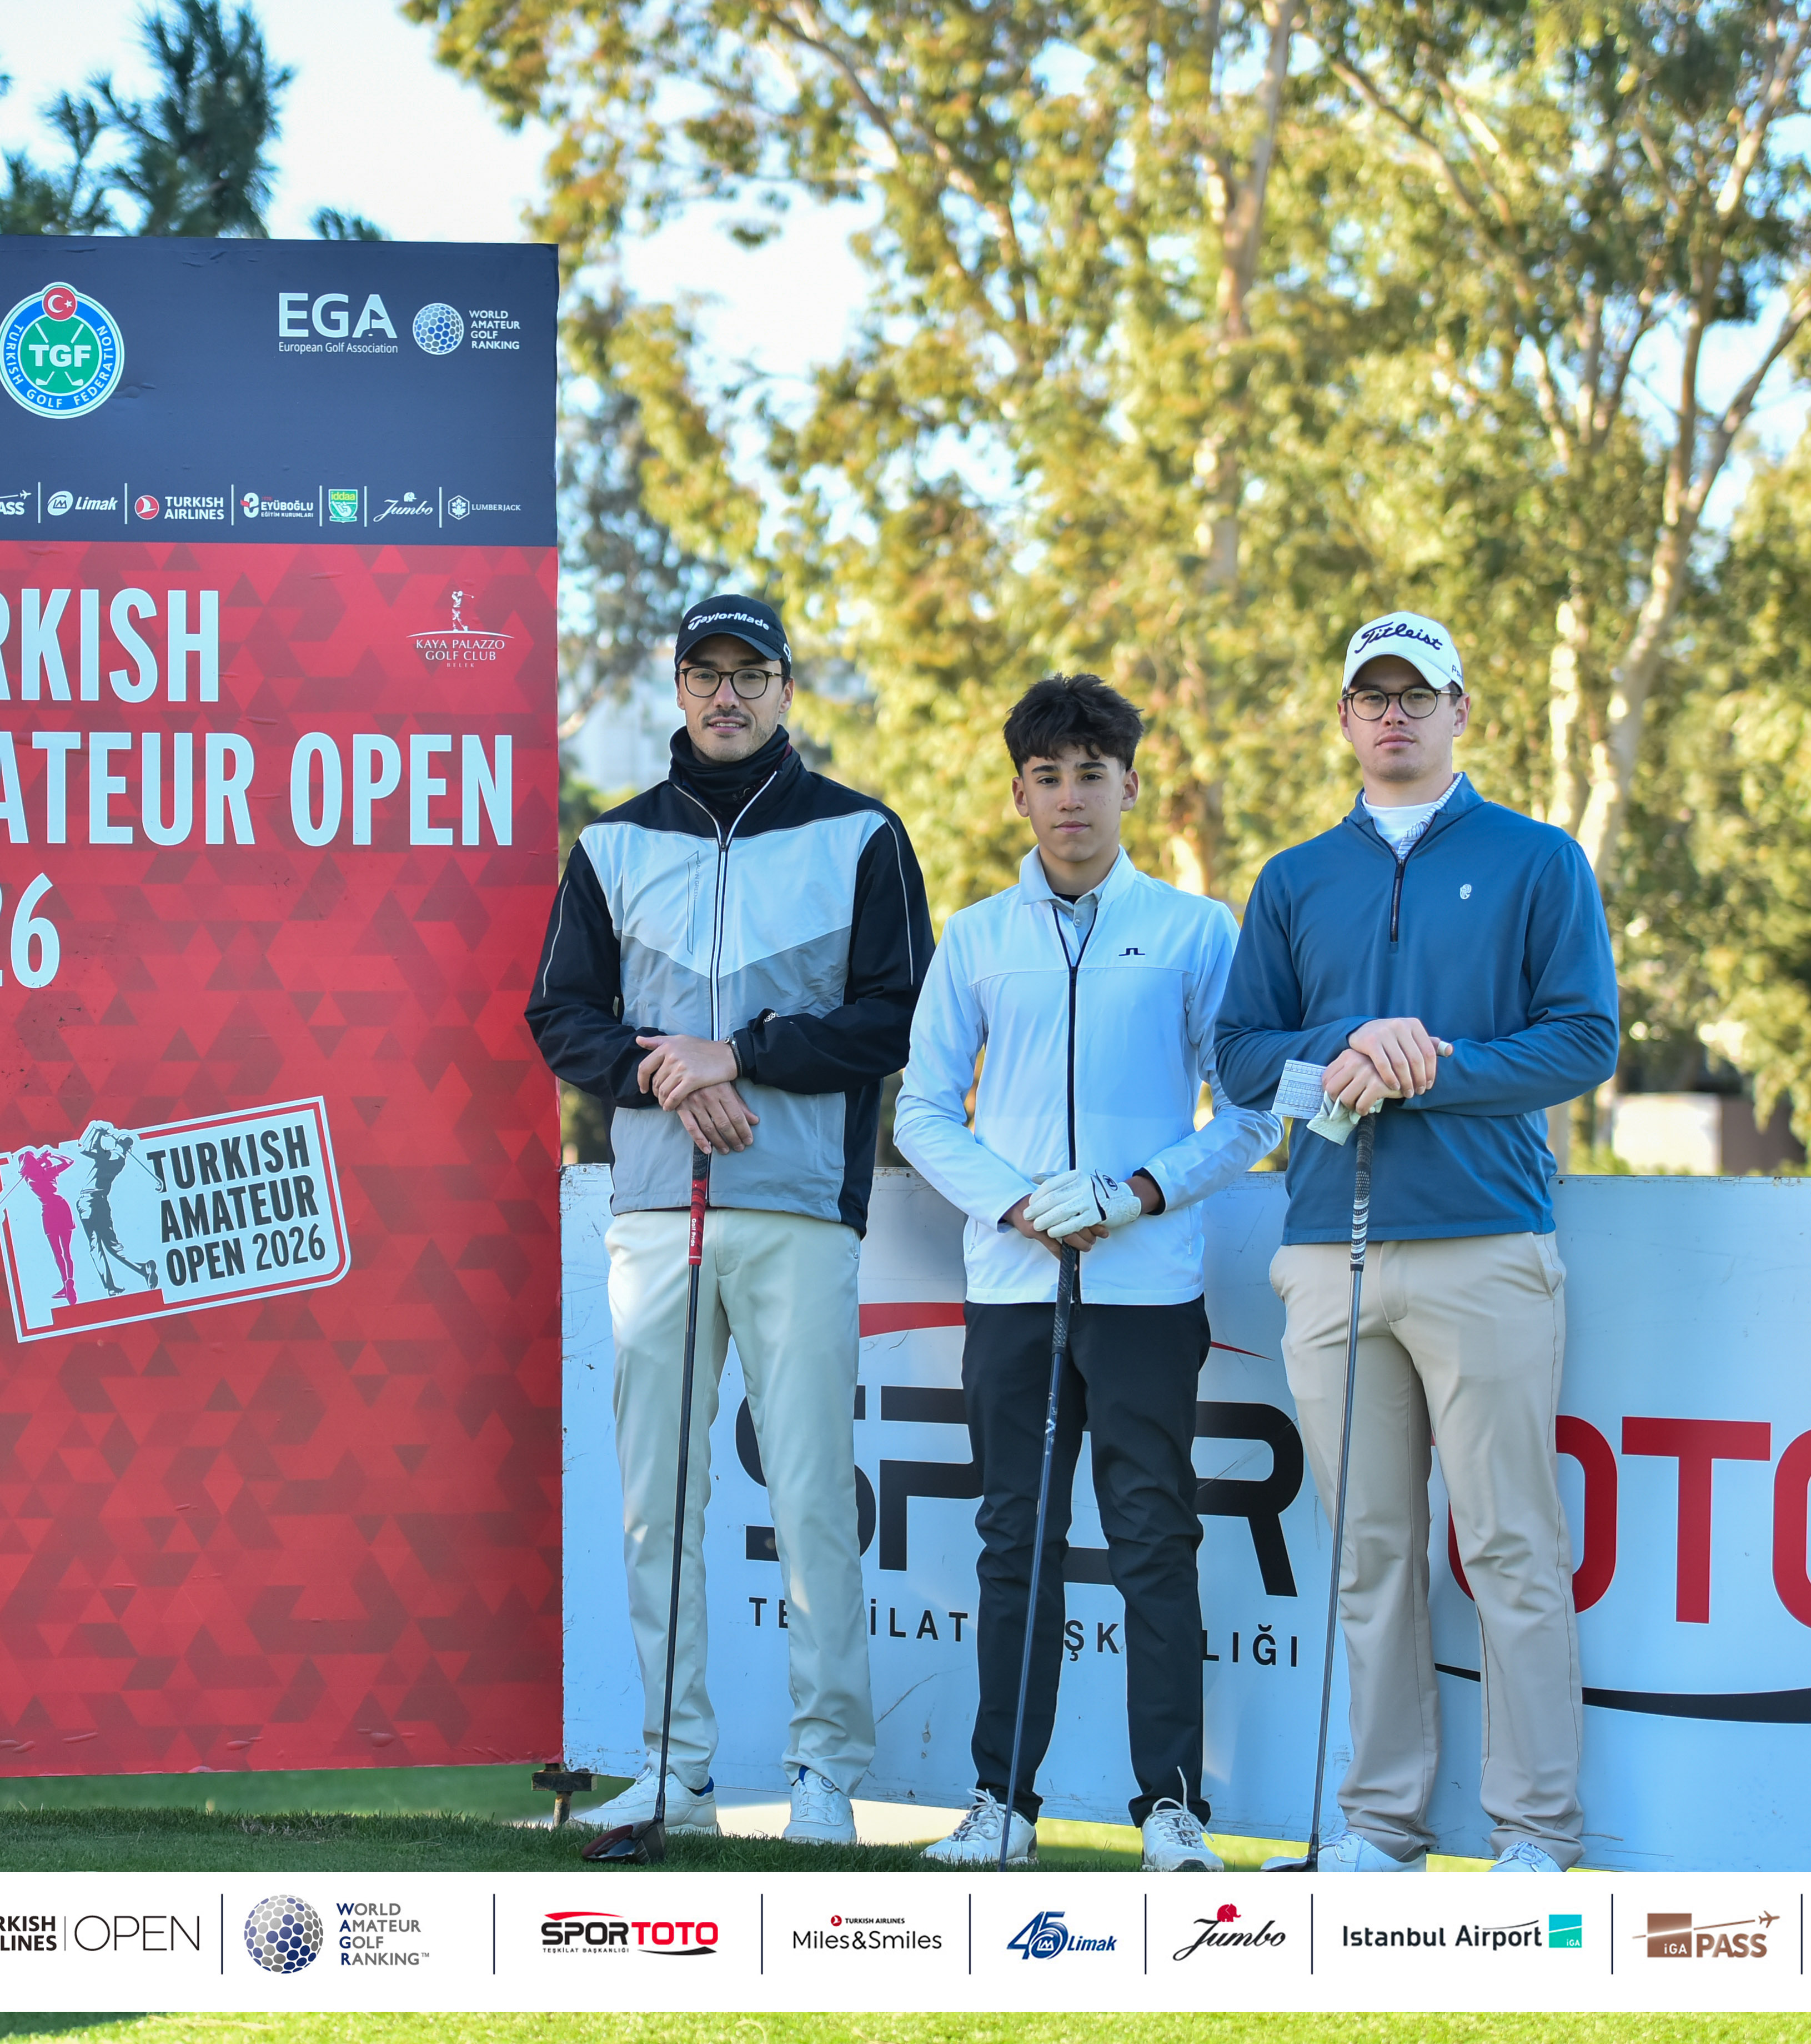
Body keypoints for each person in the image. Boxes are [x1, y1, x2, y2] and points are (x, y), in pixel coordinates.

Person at [1210, 610, 1619, 1872]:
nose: (1395, 714)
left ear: (1460, 711)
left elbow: (1584, 1040)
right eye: (1372, 696)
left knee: (1509, 1546)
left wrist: (1429, 1064)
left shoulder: (1539, 859)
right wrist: (1341, 1049)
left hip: (1485, 1244)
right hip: (1325, 1252)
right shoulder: (1294, 879)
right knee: (1369, 1553)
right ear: (1345, 717)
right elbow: (1239, 1056)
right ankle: (1381, 1827)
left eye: (1417, 694)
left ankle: (1536, 1834)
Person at [526, 592, 932, 1846]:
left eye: (750, 674)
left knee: (812, 1497)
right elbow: (560, 1017)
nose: (727, 696)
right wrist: (669, 1071)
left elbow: (893, 1016)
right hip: (657, 1211)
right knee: (658, 1503)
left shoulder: (862, 834)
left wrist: (738, 1055)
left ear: (786, 690)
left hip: (800, 1208)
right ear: (679, 690)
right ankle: (673, 1770)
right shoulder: (611, 844)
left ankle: (827, 1772)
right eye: (705, 674)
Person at [894, 674, 1280, 1871]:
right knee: (1016, 1543)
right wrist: (1017, 1203)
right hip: (1014, 1291)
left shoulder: (1196, 931)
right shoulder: (977, 937)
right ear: (1020, 794)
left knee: (1155, 1540)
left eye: (1092, 775)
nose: (1071, 798)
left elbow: (1251, 1110)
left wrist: (1140, 1192)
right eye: (1049, 776)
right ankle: (1002, 1805)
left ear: (1130, 786)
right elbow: (921, 1111)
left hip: (1146, 1290)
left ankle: (1170, 1809)